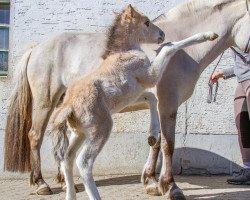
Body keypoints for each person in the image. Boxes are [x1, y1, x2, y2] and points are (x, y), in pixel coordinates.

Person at [211, 47, 250, 185]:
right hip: (243, 80)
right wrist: (224, 73)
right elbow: (242, 65)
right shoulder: (237, 34)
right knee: (242, 125)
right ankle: (248, 169)